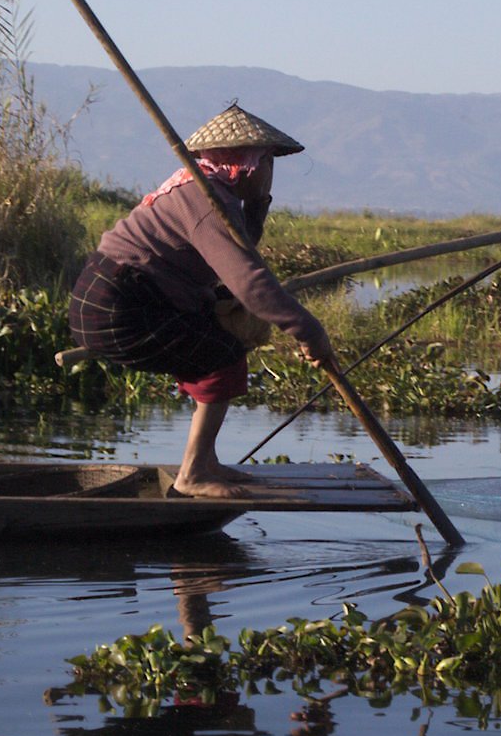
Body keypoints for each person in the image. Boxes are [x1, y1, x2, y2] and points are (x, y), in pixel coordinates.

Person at [67, 103, 333, 498]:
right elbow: (249, 281)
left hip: (121, 297)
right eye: (268, 163)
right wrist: (309, 330)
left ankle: (205, 462)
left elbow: (237, 257)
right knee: (221, 355)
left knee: (213, 343)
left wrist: (258, 205)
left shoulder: (207, 190)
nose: (270, 174)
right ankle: (192, 473)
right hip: (118, 305)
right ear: (249, 164)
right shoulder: (206, 200)